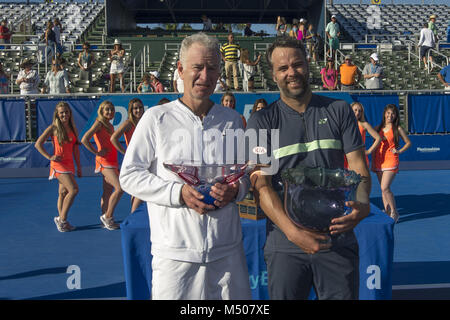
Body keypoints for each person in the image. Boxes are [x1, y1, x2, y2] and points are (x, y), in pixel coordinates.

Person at [119, 32, 252, 300]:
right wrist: (177, 193)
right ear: (180, 69)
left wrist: (237, 190)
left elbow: (247, 173)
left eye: (212, 68)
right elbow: (129, 175)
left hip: (227, 253)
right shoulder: (156, 119)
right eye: (197, 67)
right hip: (174, 256)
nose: (204, 76)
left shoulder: (233, 120)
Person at [246, 37, 371, 300]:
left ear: (308, 65)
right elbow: (261, 185)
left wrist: (362, 203)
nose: (291, 73)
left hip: (336, 238)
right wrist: (294, 234)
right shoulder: (260, 121)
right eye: (283, 68)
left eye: (297, 64)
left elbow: (358, 164)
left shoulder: (339, 110)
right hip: (285, 243)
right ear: (273, 74)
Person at [34, 101, 82, 232]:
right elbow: (38, 144)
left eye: (66, 112)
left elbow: (76, 149)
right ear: (57, 114)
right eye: (62, 112)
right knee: (73, 190)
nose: (64, 114)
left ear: (70, 113)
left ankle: (62, 221)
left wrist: (79, 166)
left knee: (63, 192)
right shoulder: (53, 128)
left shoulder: (73, 128)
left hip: (69, 164)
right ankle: (62, 220)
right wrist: (50, 157)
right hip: (58, 164)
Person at [81, 100, 123, 230]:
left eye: (111, 109)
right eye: (107, 110)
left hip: (112, 161)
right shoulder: (99, 123)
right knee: (119, 188)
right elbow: (84, 139)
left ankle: (105, 215)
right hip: (104, 162)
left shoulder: (109, 126)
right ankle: (108, 217)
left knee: (107, 191)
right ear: (102, 111)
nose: (110, 112)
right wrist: (97, 152)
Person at [371, 104, 411, 223]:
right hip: (378, 160)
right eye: (388, 113)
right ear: (384, 114)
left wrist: (399, 151)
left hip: (391, 159)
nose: (390, 115)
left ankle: (394, 212)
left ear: (395, 116)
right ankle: (387, 211)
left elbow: (408, 142)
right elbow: (375, 143)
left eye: (392, 113)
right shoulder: (377, 128)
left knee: (385, 187)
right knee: (383, 189)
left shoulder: (397, 128)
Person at [110, 98, 144, 213]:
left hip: (144, 159)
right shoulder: (128, 123)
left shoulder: (144, 121)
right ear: (131, 110)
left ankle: (134, 214)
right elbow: (113, 138)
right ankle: (133, 214)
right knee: (139, 189)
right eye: (135, 108)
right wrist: (125, 152)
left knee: (137, 189)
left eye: (140, 107)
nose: (138, 110)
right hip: (134, 160)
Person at [344, 102, 381, 169]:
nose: (357, 113)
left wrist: (369, 151)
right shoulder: (344, 124)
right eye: (355, 110)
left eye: (360, 111)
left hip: (360, 160)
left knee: (360, 179)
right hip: (346, 160)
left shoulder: (364, 124)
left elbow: (378, 138)